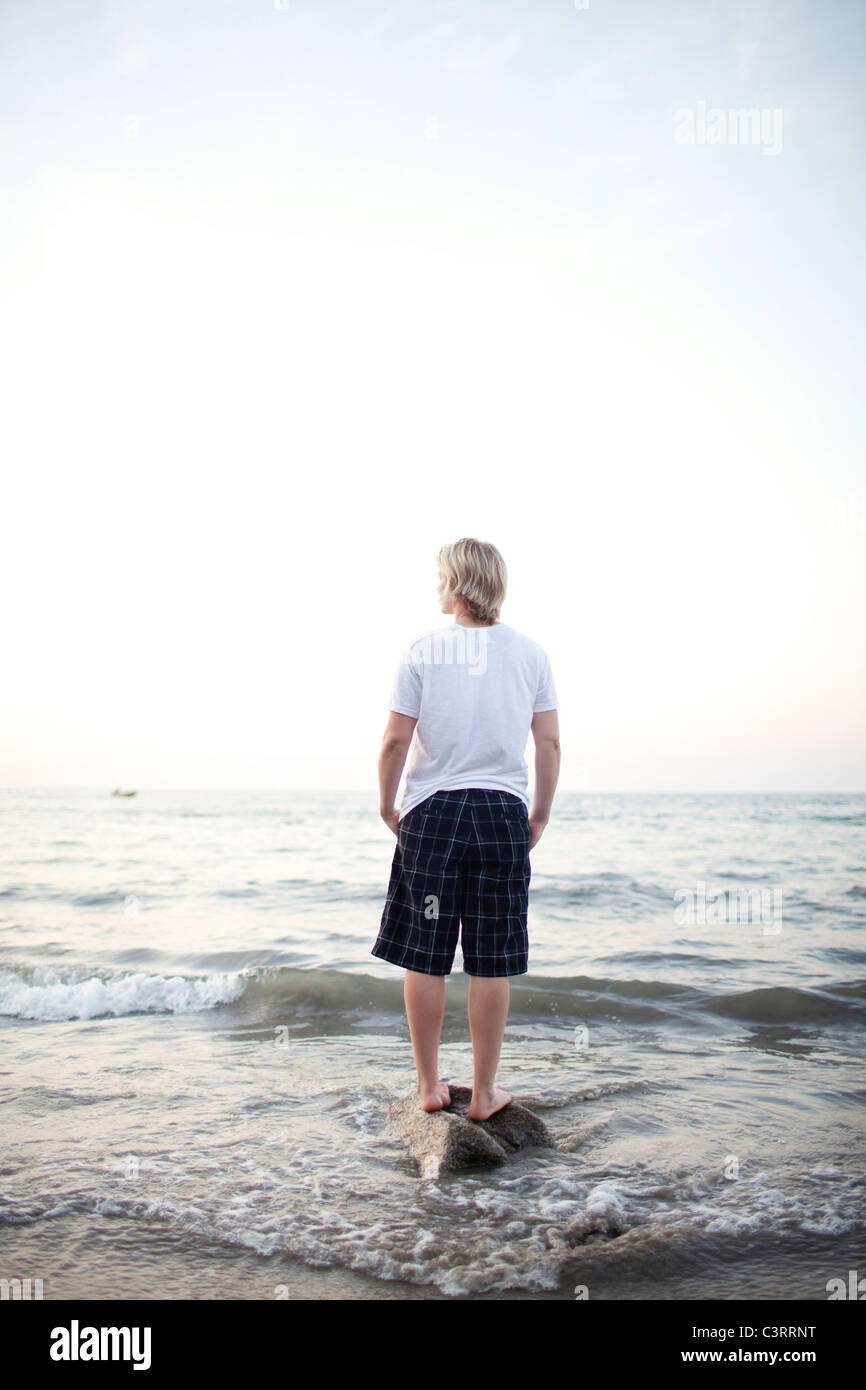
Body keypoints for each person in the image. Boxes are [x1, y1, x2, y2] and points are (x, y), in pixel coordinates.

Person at [372, 538, 561, 1121]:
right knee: (491, 958)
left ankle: (430, 1086)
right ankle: (483, 1093)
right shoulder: (530, 654)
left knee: (425, 955)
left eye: (439, 578)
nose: (435, 588)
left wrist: (387, 805)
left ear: (458, 582)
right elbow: (548, 742)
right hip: (502, 814)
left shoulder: (423, 651)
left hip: (433, 814)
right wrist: (539, 814)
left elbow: (396, 741)